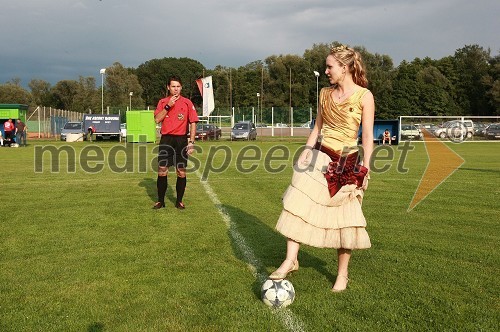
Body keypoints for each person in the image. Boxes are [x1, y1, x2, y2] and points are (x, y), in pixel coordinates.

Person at [270, 44, 375, 293]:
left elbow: (368, 135)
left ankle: (342, 274)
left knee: (346, 220)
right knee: (297, 201)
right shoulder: (324, 94)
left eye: (329, 66)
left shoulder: (364, 96)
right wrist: (307, 150)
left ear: (345, 67)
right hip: (321, 156)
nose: (326, 71)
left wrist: (367, 166)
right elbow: (317, 128)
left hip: (347, 162)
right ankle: (290, 259)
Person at [153, 76, 199, 210]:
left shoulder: (187, 103)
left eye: (178, 86)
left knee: (181, 171)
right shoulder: (162, 102)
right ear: (168, 87)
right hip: (166, 139)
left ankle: (179, 201)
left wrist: (191, 142)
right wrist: (168, 106)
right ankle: (160, 201)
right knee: (162, 170)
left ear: (181, 88)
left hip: (181, 140)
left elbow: (193, 123)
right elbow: (157, 119)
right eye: (173, 86)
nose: (176, 89)